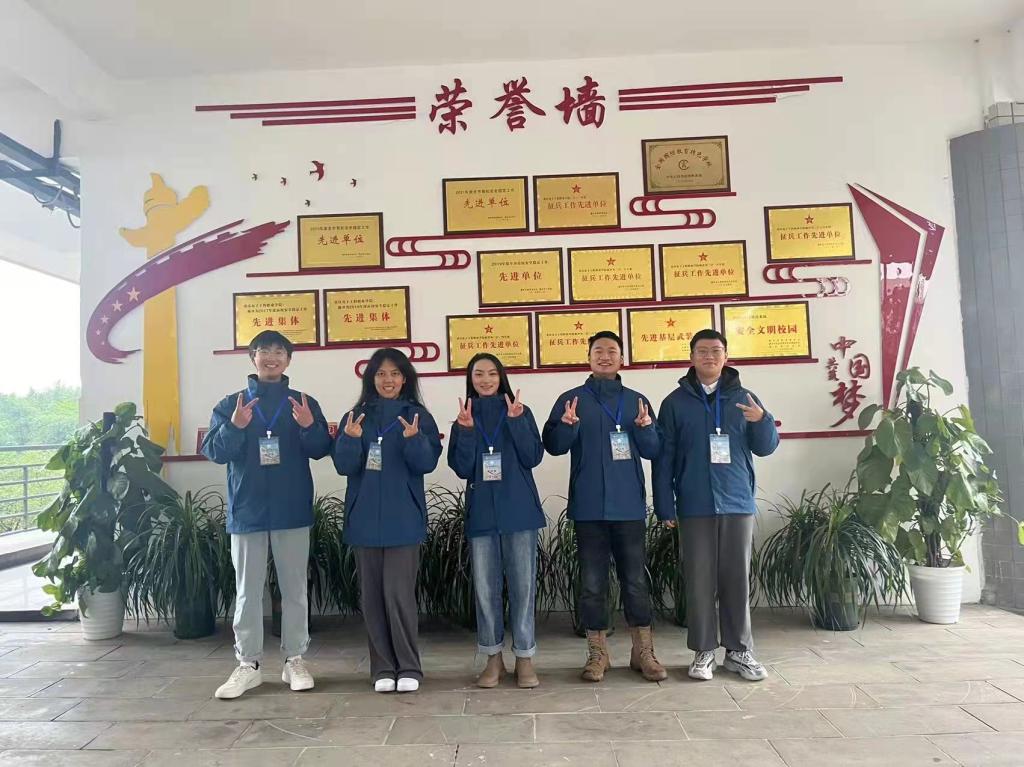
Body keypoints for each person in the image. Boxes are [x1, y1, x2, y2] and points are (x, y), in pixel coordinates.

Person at [202, 330, 332, 699]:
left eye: (278, 351)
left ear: (288, 360)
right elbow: (215, 451)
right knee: (247, 591)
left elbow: (322, 448)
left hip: (292, 509)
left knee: (295, 590)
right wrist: (235, 426)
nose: (271, 357)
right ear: (252, 358)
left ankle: (295, 659)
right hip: (248, 511)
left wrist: (308, 426)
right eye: (263, 351)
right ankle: (249, 664)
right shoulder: (232, 404)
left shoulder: (303, 403)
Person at [542, 330, 670, 683]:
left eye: (612, 351)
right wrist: (567, 426)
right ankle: (598, 653)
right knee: (592, 584)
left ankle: (643, 652)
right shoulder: (572, 400)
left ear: (621, 359)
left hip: (629, 507)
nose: (605, 356)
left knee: (635, 582)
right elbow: (553, 446)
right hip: (588, 508)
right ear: (588, 358)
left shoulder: (637, 401)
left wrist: (644, 429)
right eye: (598, 351)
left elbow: (654, 450)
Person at [653, 329, 779, 682]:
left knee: (736, 579)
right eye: (702, 351)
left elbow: (766, 447)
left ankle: (738, 651)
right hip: (695, 503)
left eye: (716, 350)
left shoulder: (745, 398)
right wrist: (665, 505)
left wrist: (762, 421)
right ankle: (704, 651)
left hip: (736, 501)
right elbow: (664, 458)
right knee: (699, 580)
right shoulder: (674, 403)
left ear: (726, 356)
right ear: (691, 357)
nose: (709, 356)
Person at [333, 348, 442, 693]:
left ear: (405, 378)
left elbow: (426, 464)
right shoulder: (355, 417)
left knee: (398, 596)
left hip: (403, 519)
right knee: (372, 598)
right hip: (364, 519)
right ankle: (382, 668)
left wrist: (414, 440)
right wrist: (349, 440)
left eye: (394, 373)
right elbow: (344, 466)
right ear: (371, 379)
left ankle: (408, 666)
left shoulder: (418, 416)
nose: (388, 380)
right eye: (381, 374)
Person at [447, 353, 546, 689]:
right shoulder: (464, 418)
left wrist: (517, 422)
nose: (486, 380)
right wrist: (466, 431)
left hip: (519, 512)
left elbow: (533, 456)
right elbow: (462, 468)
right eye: (479, 374)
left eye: (492, 373)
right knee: (486, 590)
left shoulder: (520, 411)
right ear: (470, 379)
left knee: (523, 589)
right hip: (482, 515)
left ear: (501, 377)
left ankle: (525, 658)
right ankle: (493, 659)